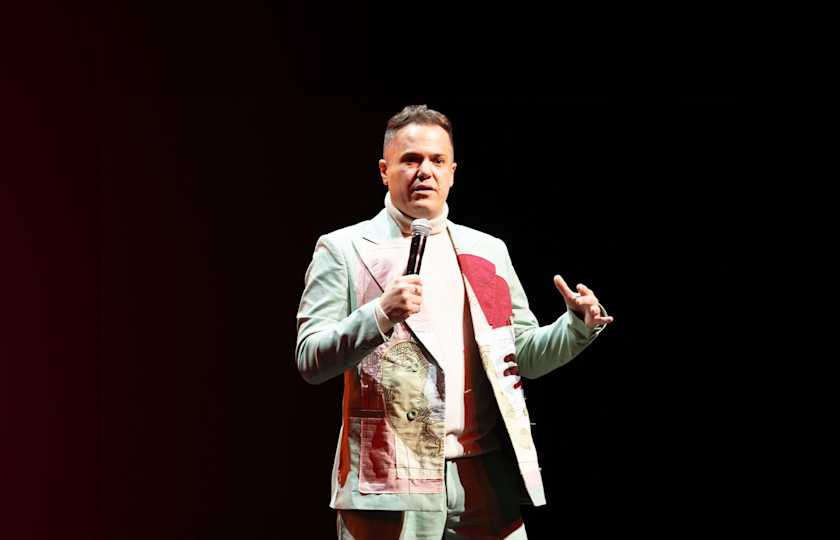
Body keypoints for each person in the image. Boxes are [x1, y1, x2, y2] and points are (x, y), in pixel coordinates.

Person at [296, 105, 614, 539]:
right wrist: (379, 314)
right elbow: (311, 359)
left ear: (452, 173)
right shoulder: (344, 249)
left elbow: (522, 358)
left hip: (485, 478)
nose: (424, 171)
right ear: (384, 171)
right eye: (411, 160)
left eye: (437, 160)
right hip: (390, 484)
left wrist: (574, 326)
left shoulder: (487, 250)